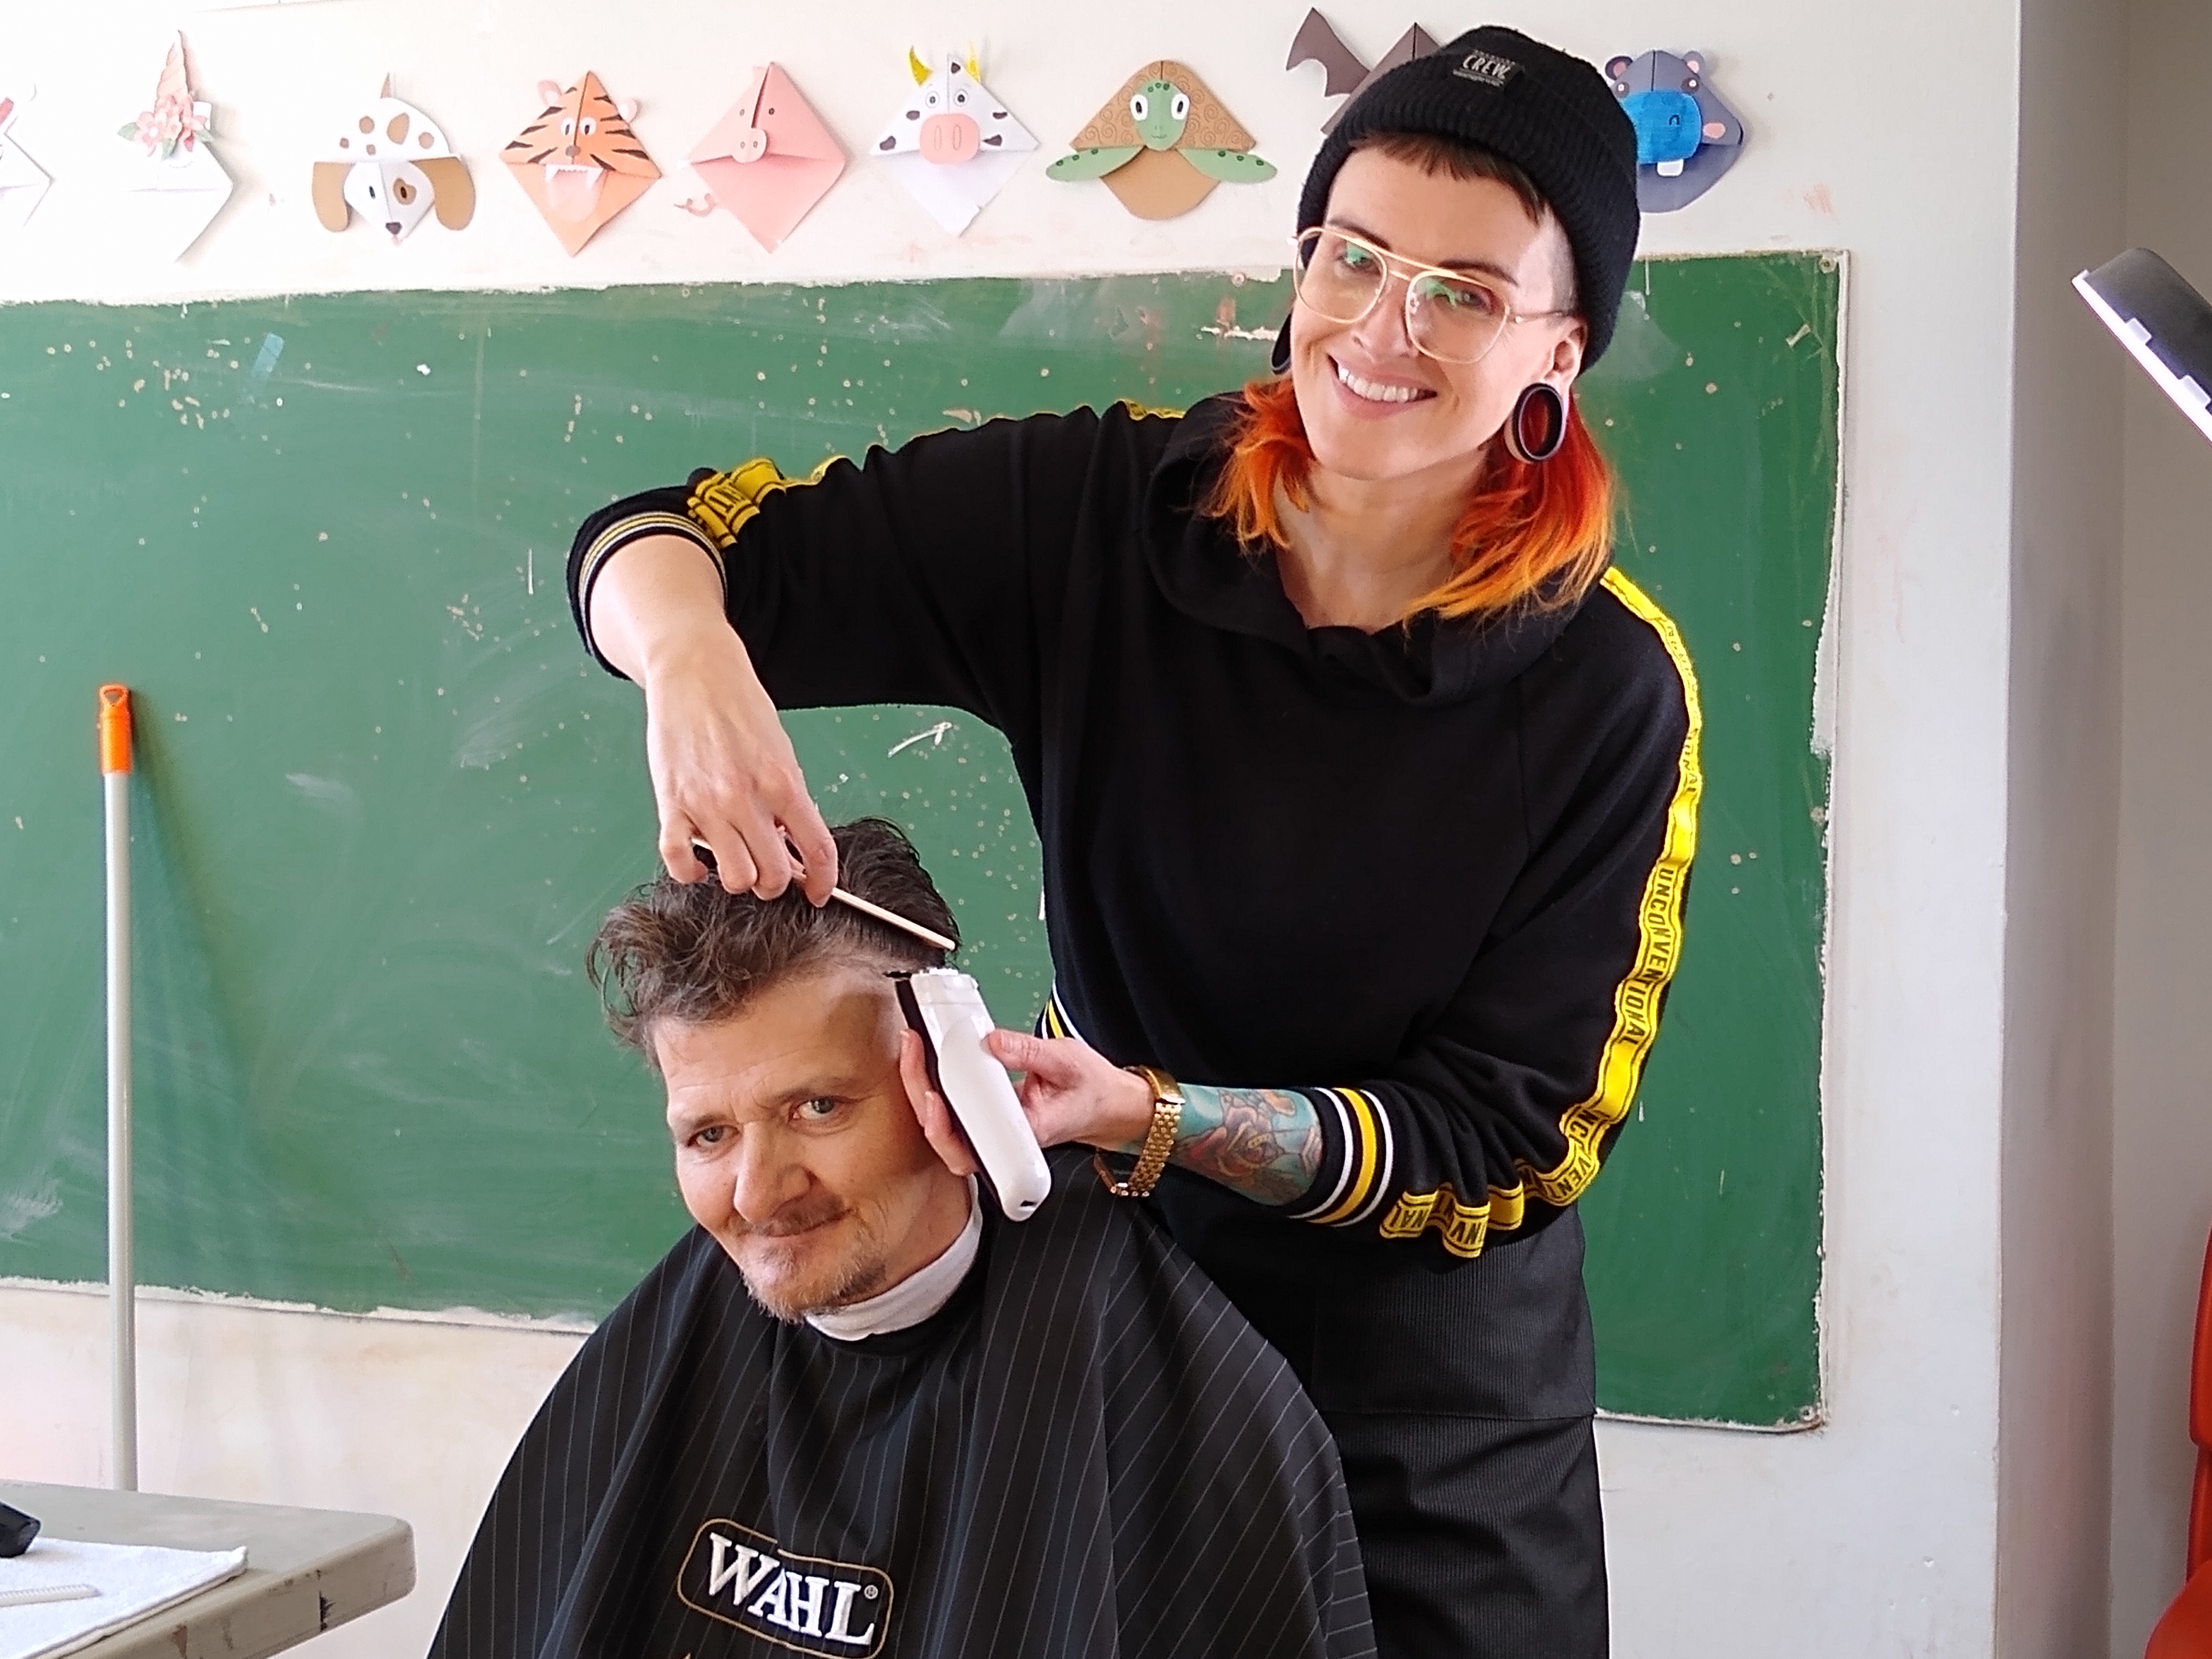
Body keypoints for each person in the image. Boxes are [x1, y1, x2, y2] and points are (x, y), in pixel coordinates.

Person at [566, 28, 1695, 1658]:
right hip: (1100, 1356)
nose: (1383, 328)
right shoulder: (1104, 515)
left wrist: (1152, 1116)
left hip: (1420, 1442)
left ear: (1559, 353)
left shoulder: (1602, 689)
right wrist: (689, 660)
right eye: (1353, 257)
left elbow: (1511, 1147)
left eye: (1463, 292)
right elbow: (653, 538)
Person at [430, 818, 1375, 1659]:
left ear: (949, 1087)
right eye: (709, 1135)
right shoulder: (655, 1359)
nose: (759, 1194)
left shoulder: (1167, 1389)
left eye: (818, 1107)